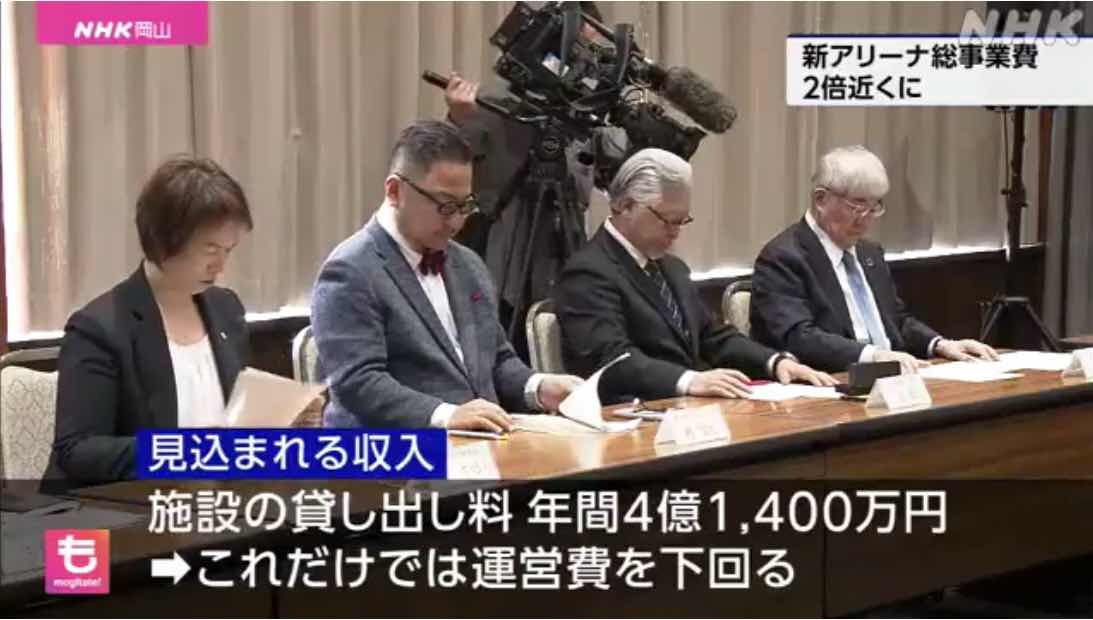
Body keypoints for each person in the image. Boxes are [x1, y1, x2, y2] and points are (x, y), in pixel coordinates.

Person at [312, 120, 582, 432]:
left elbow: (496, 361)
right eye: (444, 206)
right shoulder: (350, 270)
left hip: (479, 445)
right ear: (395, 191)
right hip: (394, 452)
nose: (456, 222)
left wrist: (539, 386)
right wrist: (446, 415)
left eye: (465, 205)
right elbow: (358, 383)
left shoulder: (467, 264)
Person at [46, 156, 272, 488]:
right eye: (210, 249)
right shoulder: (100, 327)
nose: (220, 266)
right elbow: (78, 451)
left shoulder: (226, 309)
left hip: (215, 498)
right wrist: (183, 452)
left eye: (229, 250)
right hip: (125, 507)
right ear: (165, 240)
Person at [554, 148, 835, 405]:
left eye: (682, 221)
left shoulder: (672, 268)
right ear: (626, 206)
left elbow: (712, 337)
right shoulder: (588, 272)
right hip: (632, 415)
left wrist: (775, 362)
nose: (676, 232)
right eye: (668, 220)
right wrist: (689, 381)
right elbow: (611, 360)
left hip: (689, 414)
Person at [441, 1, 627, 357]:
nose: (583, 62)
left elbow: (613, 175)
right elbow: (453, 174)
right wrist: (460, 120)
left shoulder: (584, 115)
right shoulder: (496, 104)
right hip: (507, 258)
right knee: (506, 352)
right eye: (578, 47)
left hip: (566, 246)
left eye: (592, 50)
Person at [750, 145, 999, 374]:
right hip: (831, 382)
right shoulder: (783, 257)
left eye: (874, 207)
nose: (866, 219)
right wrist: (873, 356)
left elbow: (895, 321)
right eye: (857, 206)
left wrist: (940, 344)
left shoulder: (870, 253)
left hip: (894, 379)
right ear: (821, 200)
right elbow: (799, 338)